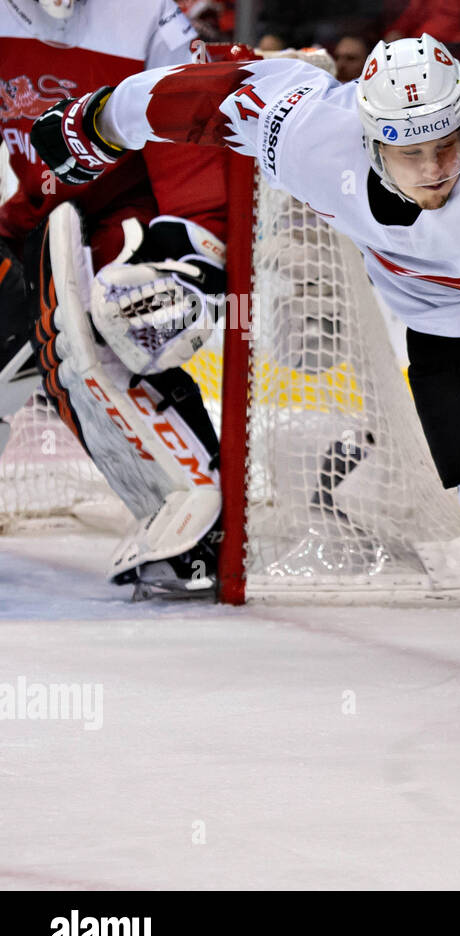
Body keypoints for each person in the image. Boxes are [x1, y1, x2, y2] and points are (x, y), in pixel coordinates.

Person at [36, 34, 460, 708]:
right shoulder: (312, 134)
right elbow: (206, 95)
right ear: (369, 137)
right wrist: (94, 122)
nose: (437, 167)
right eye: (411, 152)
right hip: (444, 325)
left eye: (448, 143)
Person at [1, 0, 230, 597]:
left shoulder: (147, 15)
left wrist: (193, 241)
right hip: (25, 217)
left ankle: (203, 520)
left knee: (106, 320)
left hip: (119, 216)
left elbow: (190, 112)